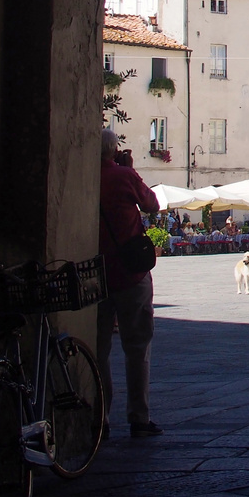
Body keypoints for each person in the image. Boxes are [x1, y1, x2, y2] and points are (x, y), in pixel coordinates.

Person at [96, 129, 163, 437]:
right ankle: (138, 415)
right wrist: (129, 168)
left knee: (97, 349)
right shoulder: (123, 176)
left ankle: (100, 417)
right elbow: (152, 204)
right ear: (114, 151)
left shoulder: (86, 176)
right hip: (130, 273)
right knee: (137, 348)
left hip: (94, 275)